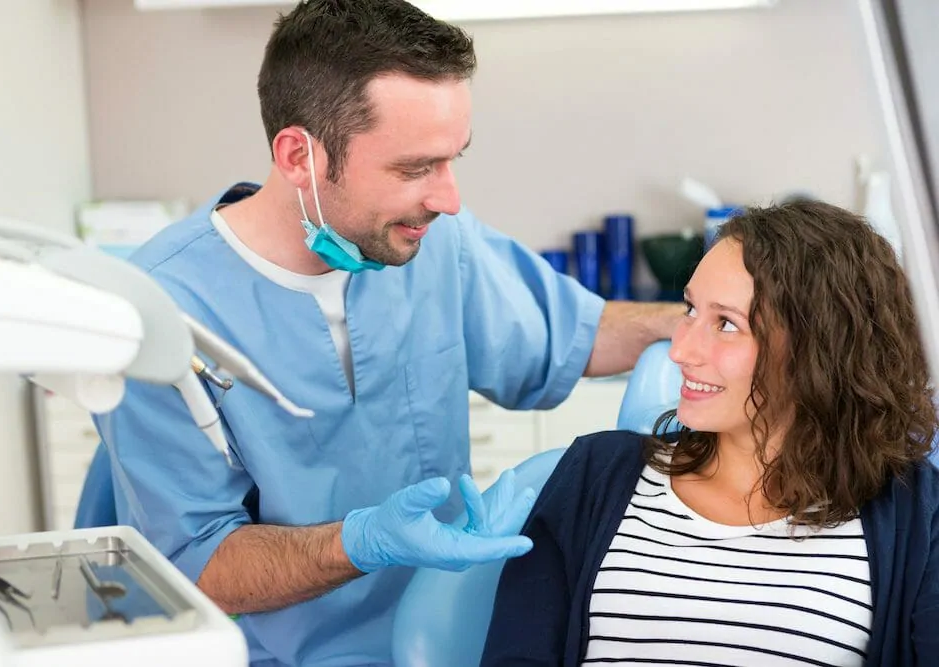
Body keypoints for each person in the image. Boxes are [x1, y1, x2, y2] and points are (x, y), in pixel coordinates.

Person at [95, 1, 681, 665]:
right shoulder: (162, 311)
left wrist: (702, 324)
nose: (448, 197)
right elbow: (196, 560)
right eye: (414, 169)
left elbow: (570, 333)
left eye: (452, 159)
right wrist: (362, 541)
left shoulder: (433, 243)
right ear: (298, 155)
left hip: (458, 634)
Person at [481, 201, 939, 666]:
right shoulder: (593, 476)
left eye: (726, 324)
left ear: (821, 351)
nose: (679, 349)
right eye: (690, 309)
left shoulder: (916, 514)